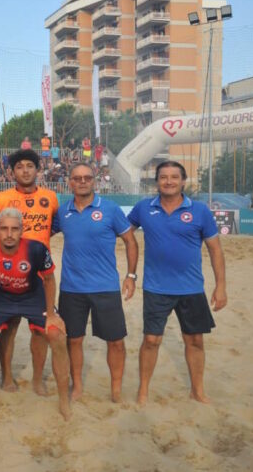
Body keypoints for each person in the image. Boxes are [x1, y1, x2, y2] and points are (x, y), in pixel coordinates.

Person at [128, 161, 227, 404]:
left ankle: (197, 390)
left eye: (174, 177)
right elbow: (123, 233)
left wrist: (221, 285)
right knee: (151, 340)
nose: (169, 181)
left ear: (183, 181)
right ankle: (143, 391)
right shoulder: (143, 208)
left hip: (191, 289)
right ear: (157, 182)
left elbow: (215, 250)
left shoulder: (200, 211)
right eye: (163, 177)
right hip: (155, 288)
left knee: (194, 340)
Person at [0, 208, 70, 419]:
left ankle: (63, 400)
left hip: (33, 296)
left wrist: (51, 314)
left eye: (15, 229)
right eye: (4, 229)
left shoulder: (36, 249)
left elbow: (49, 280)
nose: (9, 234)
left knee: (57, 336)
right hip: (1, 297)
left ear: (22, 230)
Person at [54, 163, 138, 402]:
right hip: (71, 288)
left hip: (106, 287)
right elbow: (39, 234)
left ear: (95, 181)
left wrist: (131, 276)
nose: (82, 181)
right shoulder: (63, 212)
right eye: (77, 178)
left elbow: (130, 242)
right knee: (74, 340)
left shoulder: (110, 209)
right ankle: (77, 386)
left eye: (87, 177)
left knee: (116, 342)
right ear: (69, 182)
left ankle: (116, 389)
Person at [0, 149, 58, 395]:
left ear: (38, 170)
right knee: (8, 327)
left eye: (30, 166)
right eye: (20, 167)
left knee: (40, 331)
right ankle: (7, 377)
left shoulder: (50, 197)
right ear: (12, 171)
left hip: (39, 276)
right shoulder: (1, 199)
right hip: (7, 273)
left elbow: (54, 227)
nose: (25, 170)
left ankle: (38, 379)